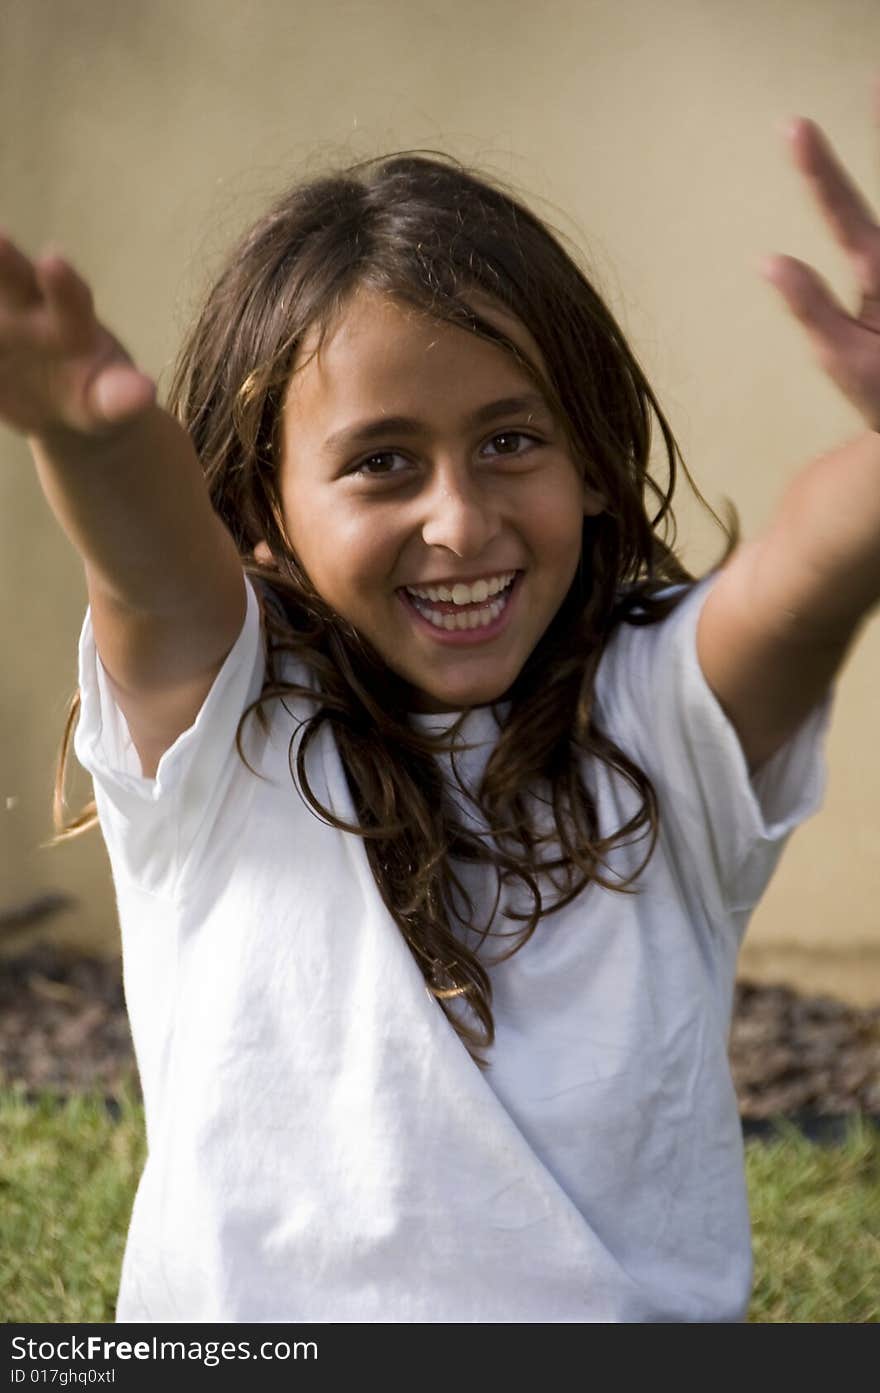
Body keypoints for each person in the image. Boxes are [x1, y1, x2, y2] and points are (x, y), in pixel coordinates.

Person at [4, 99, 880, 1322]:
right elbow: (154, 572)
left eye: (510, 440)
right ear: (262, 506)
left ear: (586, 460)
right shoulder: (225, 728)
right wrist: (89, 438)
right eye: (382, 462)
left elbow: (802, 579)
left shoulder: (663, 716)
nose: (459, 521)